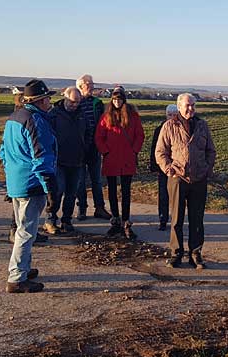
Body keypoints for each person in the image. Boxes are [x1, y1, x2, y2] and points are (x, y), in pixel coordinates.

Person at [0, 79, 58, 294]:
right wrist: (49, 184)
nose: (50, 102)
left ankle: (22, 268)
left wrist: (11, 176)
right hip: (31, 182)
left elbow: (3, 152)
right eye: (47, 98)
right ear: (40, 100)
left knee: (25, 228)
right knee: (26, 231)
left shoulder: (13, 118)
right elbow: (40, 154)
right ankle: (16, 277)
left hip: (17, 180)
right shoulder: (35, 120)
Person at [155, 93, 217, 269]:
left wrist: (207, 168)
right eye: (187, 105)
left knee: (197, 218)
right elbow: (160, 152)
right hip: (177, 178)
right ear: (179, 106)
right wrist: (169, 169)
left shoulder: (202, 125)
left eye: (193, 105)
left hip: (199, 179)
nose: (191, 108)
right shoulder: (169, 126)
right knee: (176, 218)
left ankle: (195, 253)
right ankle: (176, 253)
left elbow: (211, 150)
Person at [95, 86, 145, 239]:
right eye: (115, 99)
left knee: (126, 192)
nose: (117, 102)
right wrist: (105, 151)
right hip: (112, 158)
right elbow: (99, 136)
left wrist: (134, 151)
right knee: (111, 191)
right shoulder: (106, 117)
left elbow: (139, 135)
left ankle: (126, 221)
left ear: (124, 100)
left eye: (120, 99)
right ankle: (115, 221)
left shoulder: (132, 116)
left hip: (127, 158)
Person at [46, 86, 87, 235]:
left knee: (71, 193)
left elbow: (87, 133)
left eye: (77, 102)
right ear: (65, 98)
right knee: (57, 191)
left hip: (77, 160)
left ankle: (66, 220)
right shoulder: (54, 114)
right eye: (72, 102)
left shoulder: (82, 114)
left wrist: (85, 150)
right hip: (59, 161)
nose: (74, 105)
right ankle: (50, 219)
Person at [75, 74, 111, 221]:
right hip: (79, 148)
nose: (92, 86)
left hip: (94, 147)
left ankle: (100, 208)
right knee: (80, 180)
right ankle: (82, 208)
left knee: (96, 180)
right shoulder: (75, 103)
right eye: (89, 84)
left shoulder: (97, 103)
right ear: (81, 86)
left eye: (92, 84)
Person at [149, 104, 178, 231]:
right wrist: (155, 166)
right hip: (163, 167)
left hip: (177, 168)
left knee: (177, 196)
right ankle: (163, 219)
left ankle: (177, 220)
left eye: (174, 115)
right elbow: (155, 150)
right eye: (169, 115)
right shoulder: (159, 129)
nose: (171, 117)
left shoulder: (180, 129)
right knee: (163, 195)